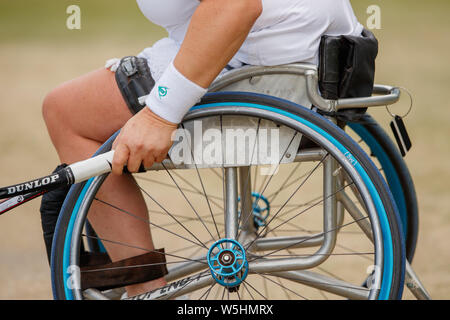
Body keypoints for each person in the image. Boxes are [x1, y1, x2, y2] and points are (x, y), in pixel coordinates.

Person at [41, 0, 363, 298]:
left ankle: (144, 288)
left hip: (262, 65)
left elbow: (235, 4)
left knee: (66, 112)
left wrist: (159, 114)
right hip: (319, 61)